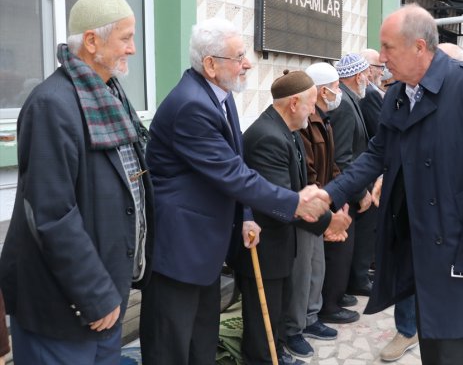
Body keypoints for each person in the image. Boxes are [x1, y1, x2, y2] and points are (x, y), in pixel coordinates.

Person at [321, 4, 463, 365]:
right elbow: (376, 155)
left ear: (419, 47)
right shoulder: (398, 93)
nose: (381, 57)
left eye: (388, 47)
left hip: (459, 242)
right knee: (431, 341)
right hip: (417, 241)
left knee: (453, 345)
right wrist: (330, 195)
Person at [139, 18, 329, 365]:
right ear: (210, 65)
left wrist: (245, 216)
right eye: (239, 56)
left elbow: (235, 160)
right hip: (180, 249)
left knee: (201, 341)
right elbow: (233, 174)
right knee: (171, 346)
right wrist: (293, 201)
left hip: (206, 248)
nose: (248, 63)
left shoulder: (219, 95)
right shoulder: (191, 105)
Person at [0, 0, 153, 364]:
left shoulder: (107, 96)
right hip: (64, 303)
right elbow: (51, 214)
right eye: (126, 37)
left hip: (104, 295)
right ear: (91, 41)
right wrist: (95, 294)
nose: (133, 49)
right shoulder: (52, 104)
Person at [238, 71, 346, 364]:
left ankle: (276, 353)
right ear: (294, 103)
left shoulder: (287, 131)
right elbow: (280, 201)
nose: (314, 111)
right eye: (311, 103)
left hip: (279, 243)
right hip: (263, 244)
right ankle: (263, 359)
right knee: (263, 315)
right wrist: (328, 223)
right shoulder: (267, 137)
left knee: (276, 309)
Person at [319, 53, 373, 324]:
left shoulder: (352, 101)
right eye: (366, 73)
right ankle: (331, 304)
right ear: (357, 75)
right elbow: (342, 157)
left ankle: (337, 296)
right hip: (344, 191)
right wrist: (360, 191)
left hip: (348, 187)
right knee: (339, 250)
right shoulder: (344, 106)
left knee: (346, 249)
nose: (371, 77)